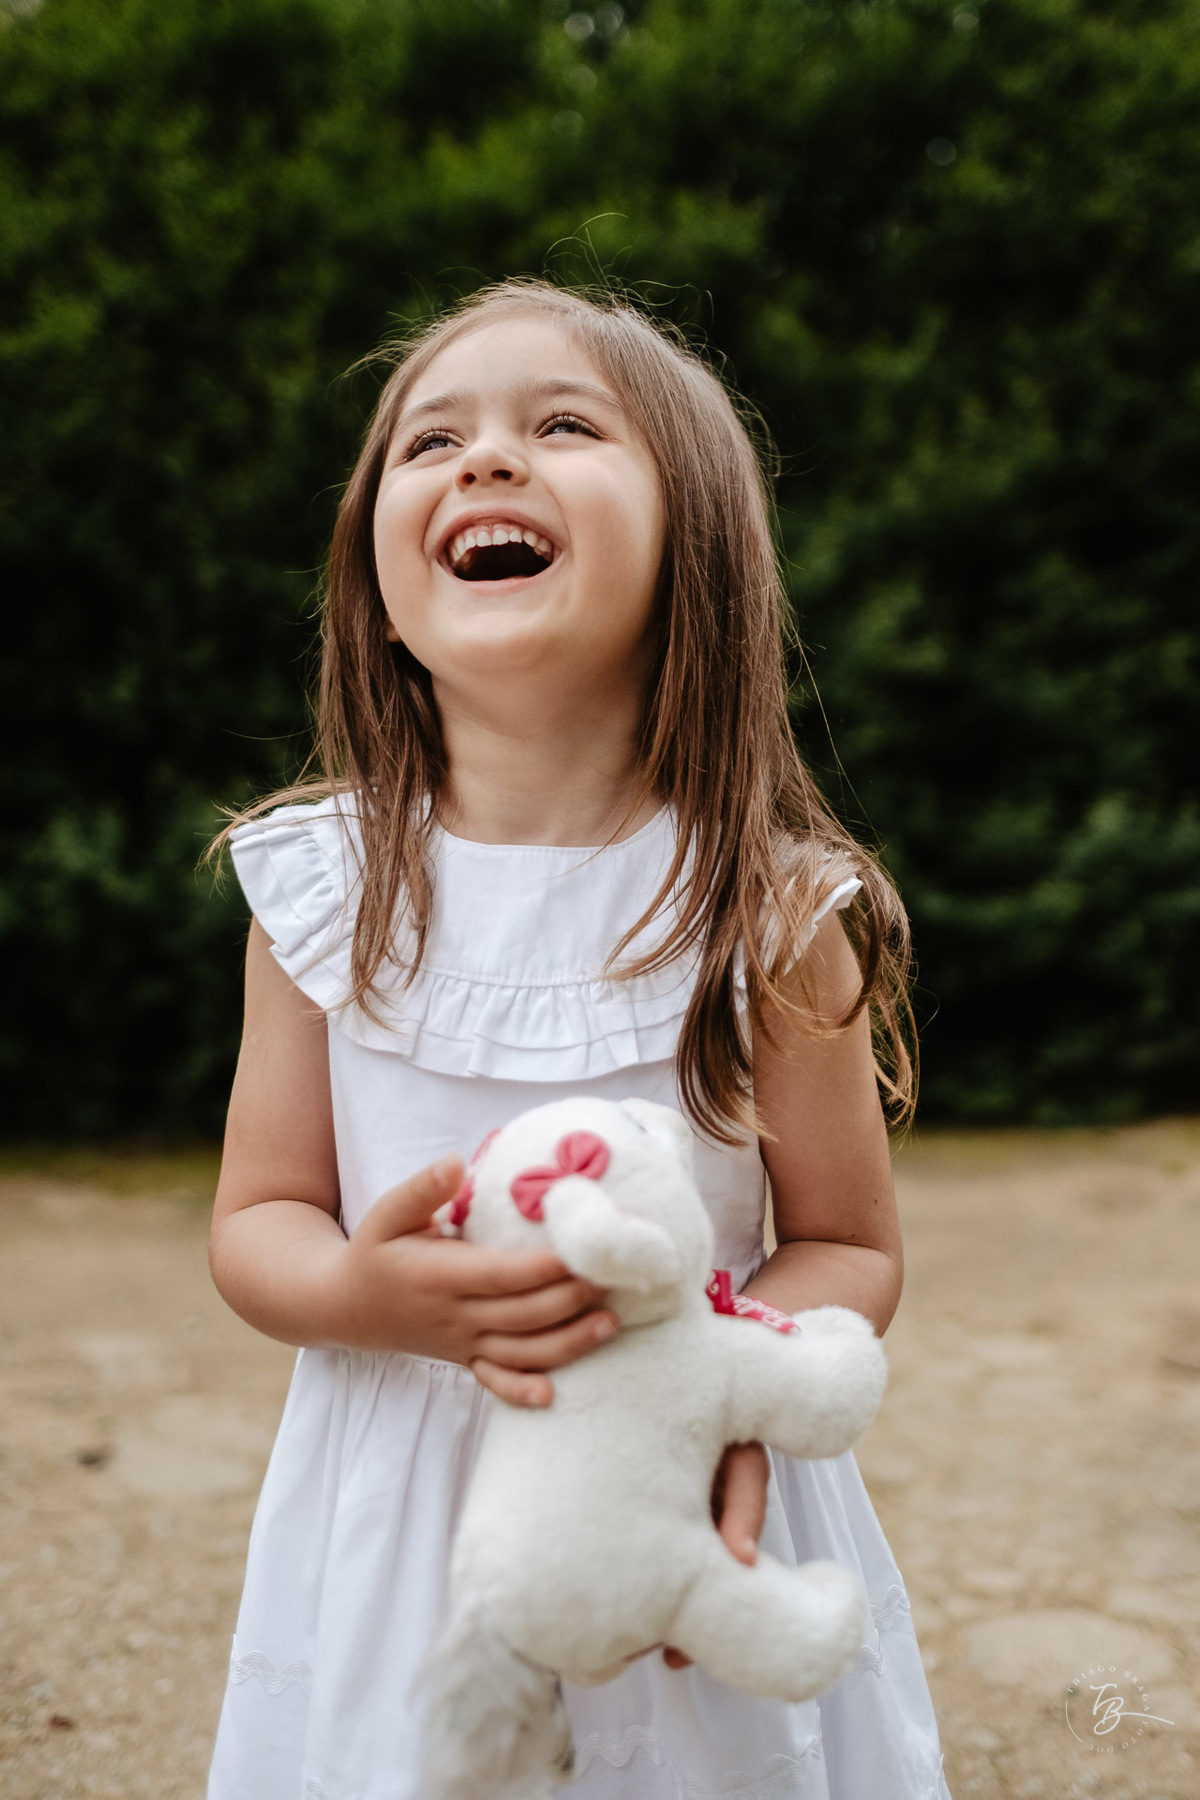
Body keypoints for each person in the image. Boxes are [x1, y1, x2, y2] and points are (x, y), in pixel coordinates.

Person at [205, 280, 951, 1800]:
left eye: (562, 426)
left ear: (697, 554)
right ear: (378, 587)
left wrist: (725, 1393)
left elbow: (847, 1249)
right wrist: (358, 1293)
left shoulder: (770, 911)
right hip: (404, 1535)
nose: (485, 459)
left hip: (679, 1506)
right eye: (431, 442)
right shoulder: (322, 895)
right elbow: (259, 1216)